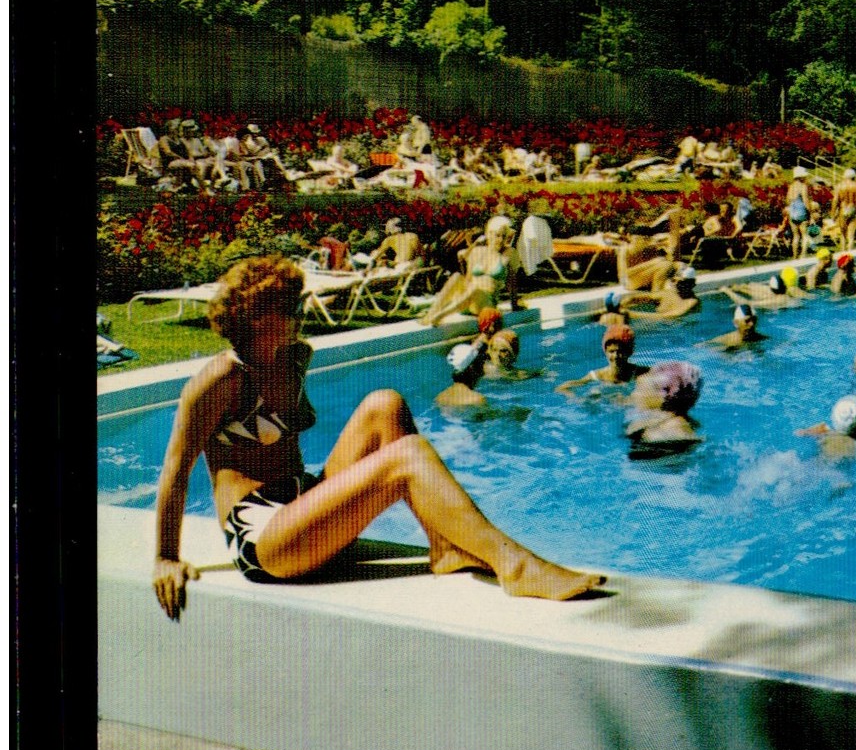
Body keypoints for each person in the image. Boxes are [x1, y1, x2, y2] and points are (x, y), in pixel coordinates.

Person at [150, 256, 602, 620]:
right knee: (407, 457)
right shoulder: (221, 379)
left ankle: (444, 546)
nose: (300, 315)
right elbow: (175, 469)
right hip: (267, 537)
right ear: (260, 318)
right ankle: (516, 566)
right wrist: (166, 557)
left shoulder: (294, 358)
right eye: (291, 308)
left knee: (384, 403)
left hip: (305, 502)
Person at [420, 215, 521, 326]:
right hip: (466, 303)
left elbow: (512, 281)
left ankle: (440, 316)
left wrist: (515, 305)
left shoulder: (509, 253)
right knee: (457, 277)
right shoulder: (477, 251)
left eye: (504, 236)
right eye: (497, 236)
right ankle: (431, 314)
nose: (500, 240)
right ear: (489, 235)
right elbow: (468, 278)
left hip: (486, 304)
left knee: (475, 289)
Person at [625, 361, 703, 459]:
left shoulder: (670, 432)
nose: (634, 395)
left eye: (639, 389)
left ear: (663, 396)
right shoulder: (673, 420)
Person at [557, 322, 649, 392]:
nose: (616, 356)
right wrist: (576, 400)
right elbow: (562, 387)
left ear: (629, 352)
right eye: (611, 351)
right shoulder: (598, 376)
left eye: (620, 351)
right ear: (606, 352)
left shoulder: (639, 372)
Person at [622, 265, 701, 321]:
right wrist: (621, 305)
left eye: (681, 283)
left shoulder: (692, 302)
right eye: (673, 280)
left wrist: (631, 314)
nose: (675, 284)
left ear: (692, 285)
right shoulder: (668, 293)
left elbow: (670, 317)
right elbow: (636, 298)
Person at [786, 167, 815, 258]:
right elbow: (806, 201)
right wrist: (811, 214)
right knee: (804, 235)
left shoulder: (791, 187)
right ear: (801, 176)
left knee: (796, 236)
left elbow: (788, 200)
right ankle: (802, 255)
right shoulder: (803, 186)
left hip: (792, 212)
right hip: (802, 212)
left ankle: (795, 256)